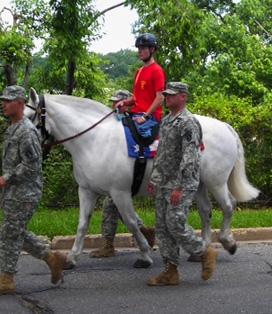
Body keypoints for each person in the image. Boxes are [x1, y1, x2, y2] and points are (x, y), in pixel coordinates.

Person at [0, 85, 67, 296]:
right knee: (16, 232)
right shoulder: (14, 128)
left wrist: (7, 178)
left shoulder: (26, 131)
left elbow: (32, 166)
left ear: (20, 103)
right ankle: (52, 258)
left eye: (7, 101)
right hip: (16, 193)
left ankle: (6, 280)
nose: (3, 104)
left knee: (9, 234)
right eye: (3, 101)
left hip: (24, 193)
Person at [147, 82, 218, 286]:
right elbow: (162, 153)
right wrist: (155, 178)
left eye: (171, 95)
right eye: (166, 94)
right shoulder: (167, 121)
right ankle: (171, 272)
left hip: (182, 183)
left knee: (175, 222)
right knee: (162, 227)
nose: (167, 97)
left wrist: (179, 186)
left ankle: (204, 252)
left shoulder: (188, 122)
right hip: (164, 182)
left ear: (183, 97)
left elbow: (190, 157)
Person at [90, 90, 155, 259]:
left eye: (118, 102)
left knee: (113, 204)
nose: (114, 105)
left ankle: (111, 244)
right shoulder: (111, 121)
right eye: (113, 102)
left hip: (129, 171)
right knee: (113, 204)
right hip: (114, 172)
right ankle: (142, 232)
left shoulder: (132, 121)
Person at [114, 33, 166, 138]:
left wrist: (145, 116)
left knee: (141, 133)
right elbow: (135, 98)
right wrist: (123, 102)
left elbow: (160, 97)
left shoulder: (157, 70)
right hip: (136, 113)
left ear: (152, 49)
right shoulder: (139, 72)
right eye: (138, 48)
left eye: (143, 48)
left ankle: (153, 153)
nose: (139, 51)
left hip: (151, 116)